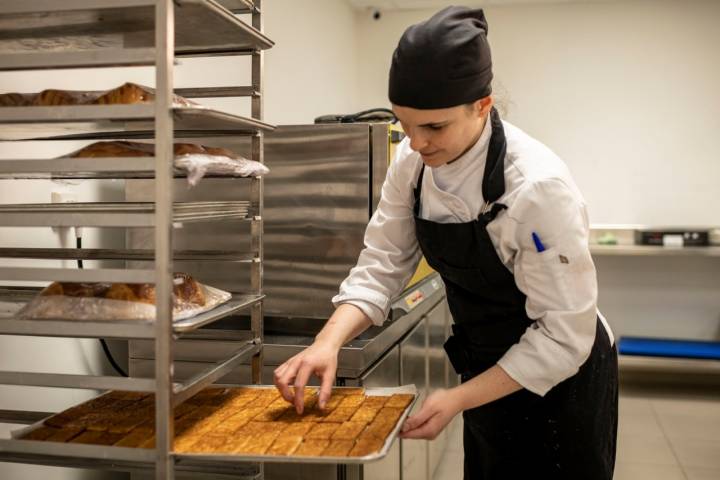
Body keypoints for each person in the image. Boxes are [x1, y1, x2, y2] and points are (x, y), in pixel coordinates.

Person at [274, 6, 618, 479]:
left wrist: (458, 398)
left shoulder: (536, 188)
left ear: (482, 105)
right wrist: (326, 342)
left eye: (433, 127)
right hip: (487, 368)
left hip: (562, 381)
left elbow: (564, 336)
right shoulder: (412, 167)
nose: (415, 144)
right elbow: (383, 263)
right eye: (404, 124)